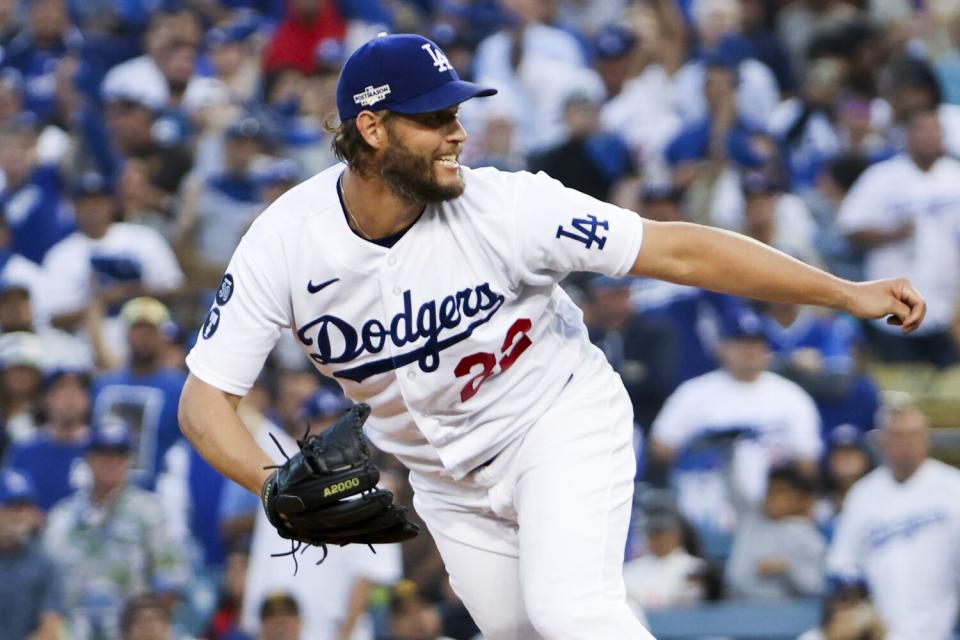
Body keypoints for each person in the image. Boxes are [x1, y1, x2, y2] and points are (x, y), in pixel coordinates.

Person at [178, 33, 926, 640]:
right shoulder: (285, 243)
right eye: (434, 119)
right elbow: (205, 403)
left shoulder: (507, 207)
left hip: (557, 422)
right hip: (447, 482)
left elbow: (678, 249)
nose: (457, 132)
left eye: (456, 113)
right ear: (371, 130)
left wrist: (840, 291)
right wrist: (274, 488)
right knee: (527, 632)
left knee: (571, 611)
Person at [826, 401, 960, 639]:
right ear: (882, 441)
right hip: (881, 630)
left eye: (915, 435)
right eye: (899, 436)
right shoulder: (863, 493)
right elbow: (842, 561)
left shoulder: (953, 486)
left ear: (927, 439)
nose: (908, 444)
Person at [725, 463, 826, 599]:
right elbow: (733, 487)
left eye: (781, 492)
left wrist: (788, 568)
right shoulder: (752, 519)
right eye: (770, 491)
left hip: (782, 614)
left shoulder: (808, 536)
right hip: (735, 607)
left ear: (801, 499)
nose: (773, 498)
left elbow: (815, 586)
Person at [0, 467, 65, 640]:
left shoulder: (45, 565)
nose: (20, 516)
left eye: (26, 507)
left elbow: (50, 630)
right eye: (12, 507)